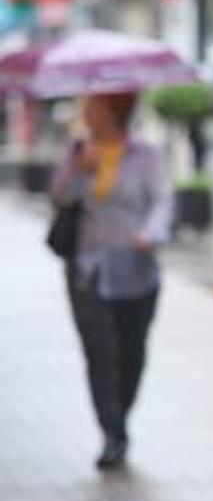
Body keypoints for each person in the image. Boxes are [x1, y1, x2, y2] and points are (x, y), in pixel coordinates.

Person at [50, 92, 173, 470]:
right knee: (99, 350)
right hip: (89, 268)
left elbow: (162, 201)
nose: (88, 112)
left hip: (135, 267)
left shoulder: (146, 155)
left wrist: (151, 233)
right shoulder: (77, 153)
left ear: (115, 110)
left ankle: (121, 413)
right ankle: (111, 430)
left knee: (131, 350)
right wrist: (78, 171)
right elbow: (58, 197)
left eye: (96, 106)